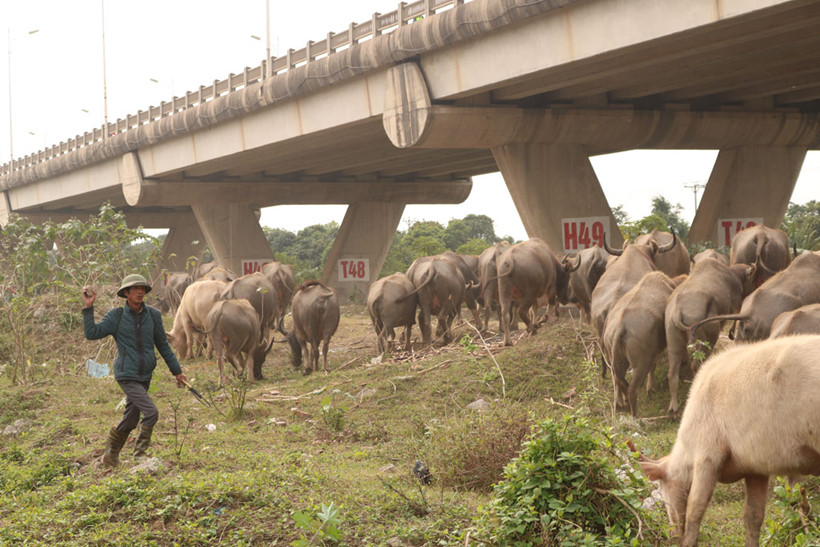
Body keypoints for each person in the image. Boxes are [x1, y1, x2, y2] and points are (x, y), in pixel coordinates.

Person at [82, 274, 187, 467]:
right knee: (151, 412)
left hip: (145, 375)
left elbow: (163, 345)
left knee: (130, 419)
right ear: (126, 293)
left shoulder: (153, 316)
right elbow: (92, 333)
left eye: (143, 289)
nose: (140, 292)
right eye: (135, 289)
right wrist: (88, 308)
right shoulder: (117, 316)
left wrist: (177, 371)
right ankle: (139, 455)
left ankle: (109, 456)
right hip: (126, 374)